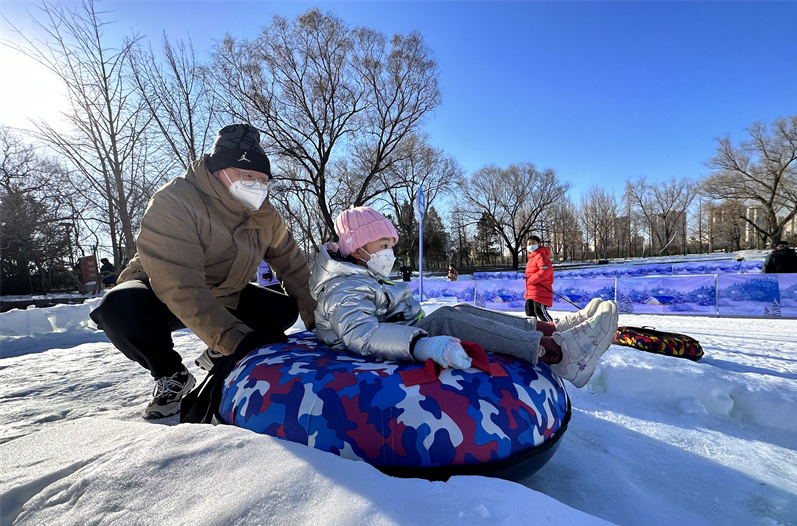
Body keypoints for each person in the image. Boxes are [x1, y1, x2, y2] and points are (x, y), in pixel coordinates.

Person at [90, 124, 316, 419]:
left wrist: (319, 320)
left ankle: (217, 351)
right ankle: (171, 374)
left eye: (263, 180)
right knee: (119, 308)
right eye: (246, 176)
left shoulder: (264, 215)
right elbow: (180, 285)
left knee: (282, 309)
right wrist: (235, 339)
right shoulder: (174, 201)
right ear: (218, 171)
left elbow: (295, 267)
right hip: (160, 292)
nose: (256, 186)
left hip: (225, 292)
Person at [309, 206, 618, 389]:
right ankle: (558, 354)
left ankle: (553, 331)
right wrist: (420, 344)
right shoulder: (343, 288)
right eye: (382, 245)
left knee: (457, 309)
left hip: (402, 332)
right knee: (446, 319)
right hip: (387, 344)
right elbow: (361, 334)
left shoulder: (366, 274)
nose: (390, 253)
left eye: (392, 244)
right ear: (356, 248)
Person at [524, 235, 554, 321]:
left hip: (540, 290)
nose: (531, 245)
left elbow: (546, 270)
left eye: (533, 243)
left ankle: (552, 330)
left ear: (539, 244)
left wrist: (532, 280)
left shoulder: (541, 256)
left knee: (540, 312)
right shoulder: (531, 258)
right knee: (529, 311)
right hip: (532, 290)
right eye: (529, 244)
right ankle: (533, 330)